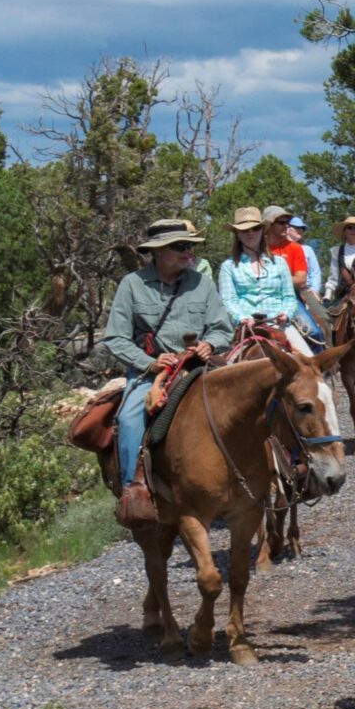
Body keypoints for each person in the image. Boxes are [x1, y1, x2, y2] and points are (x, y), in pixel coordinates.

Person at [99, 217, 233, 525]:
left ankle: (262, 479)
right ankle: (136, 493)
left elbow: (221, 328)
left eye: (189, 246)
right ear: (158, 252)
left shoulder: (202, 282)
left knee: (247, 399)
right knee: (129, 418)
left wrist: (210, 345)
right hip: (151, 371)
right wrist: (150, 362)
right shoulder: (132, 285)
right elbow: (115, 337)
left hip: (200, 367)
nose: (188, 253)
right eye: (180, 247)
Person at [218, 207, 301, 332]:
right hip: (245, 325)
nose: (251, 233)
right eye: (245, 230)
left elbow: (289, 297)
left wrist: (285, 314)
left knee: (306, 351)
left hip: (279, 324)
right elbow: (228, 300)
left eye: (255, 228)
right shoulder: (228, 266)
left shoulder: (279, 262)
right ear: (237, 234)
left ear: (262, 231)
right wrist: (241, 318)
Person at [263, 207, 326, 341]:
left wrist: (269, 279)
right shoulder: (258, 248)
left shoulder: (295, 248)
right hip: (260, 296)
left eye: (287, 222)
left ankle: (326, 360)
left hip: (290, 296)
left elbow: (300, 279)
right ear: (269, 225)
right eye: (281, 222)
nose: (286, 226)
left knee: (315, 332)